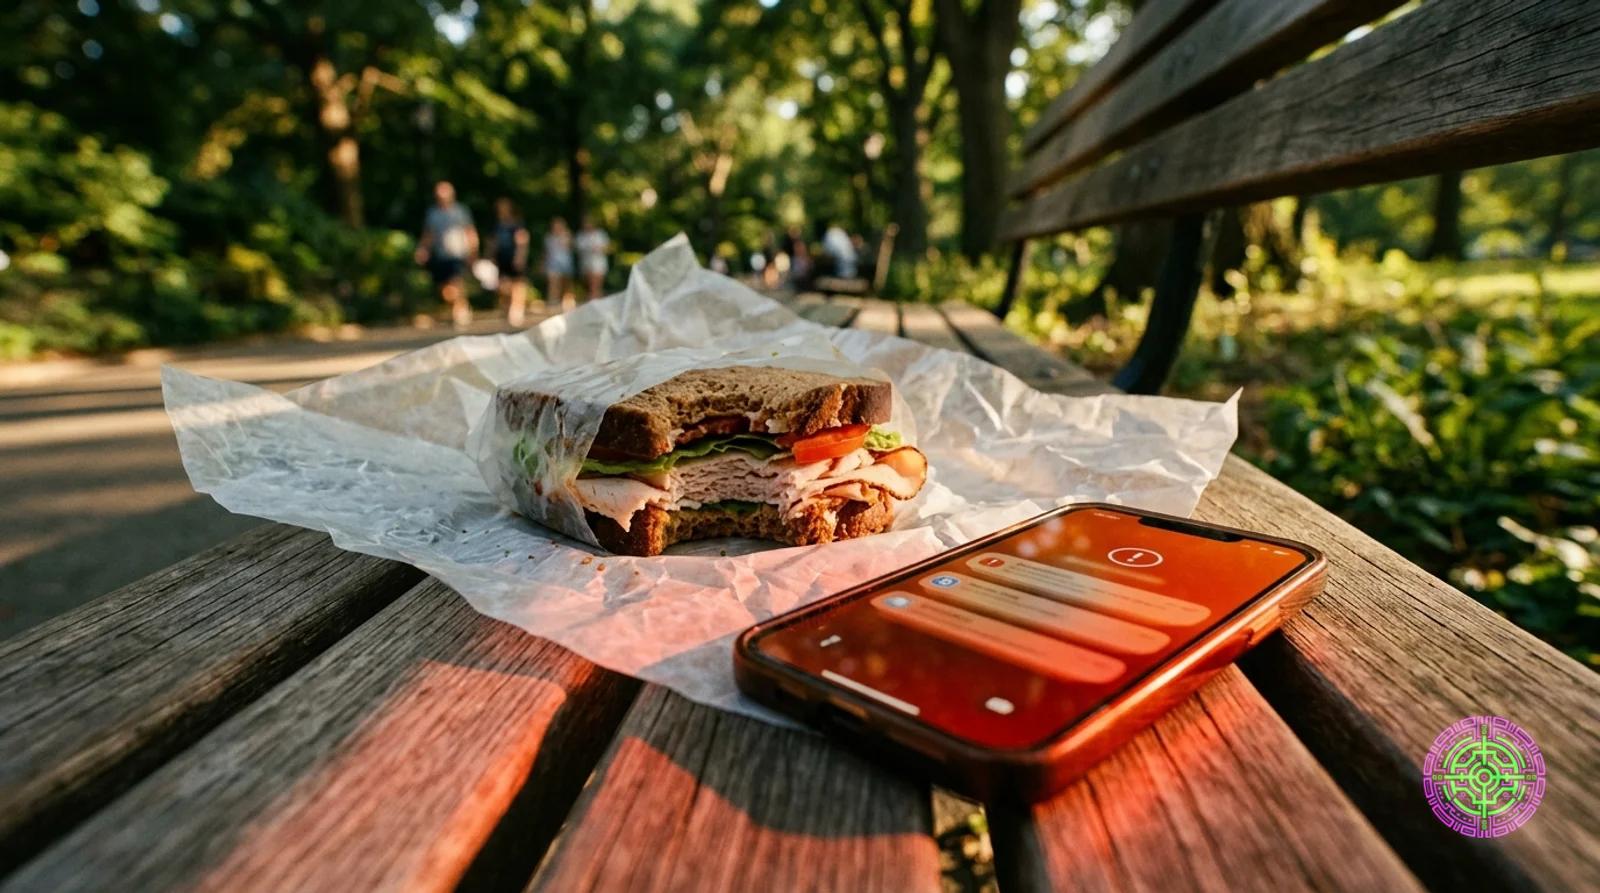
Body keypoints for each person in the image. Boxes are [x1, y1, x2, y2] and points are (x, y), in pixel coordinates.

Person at [415, 181, 479, 329]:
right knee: (445, 290)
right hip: (440, 255)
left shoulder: (460, 211)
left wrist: (473, 251)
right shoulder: (433, 213)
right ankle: (460, 304)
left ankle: (460, 311)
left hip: (458, 254)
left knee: (456, 282)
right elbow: (428, 234)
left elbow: (469, 231)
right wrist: (423, 249)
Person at [490, 198, 530, 326]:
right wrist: (490, 256)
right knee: (503, 286)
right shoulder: (496, 225)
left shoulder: (517, 224)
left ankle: (516, 310)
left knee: (518, 284)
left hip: (514, 257)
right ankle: (508, 307)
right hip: (501, 258)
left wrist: (520, 256)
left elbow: (522, 240)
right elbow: (493, 242)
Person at [576, 216, 612, 299]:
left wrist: (599, 249)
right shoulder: (581, 236)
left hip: (599, 264)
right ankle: (594, 302)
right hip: (586, 264)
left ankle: (595, 303)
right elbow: (577, 249)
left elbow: (609, 248)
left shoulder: (601, 234)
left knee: (596, 285)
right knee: (589, 286)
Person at [544, 218, 575, 312]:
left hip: (565, 264)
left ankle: (567, 303)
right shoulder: (549, 237)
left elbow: (571, 247)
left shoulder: (567, 235)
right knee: (553, 283)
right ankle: (553, 302)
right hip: (552, 263)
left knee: (566, 285)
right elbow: (546, 252)